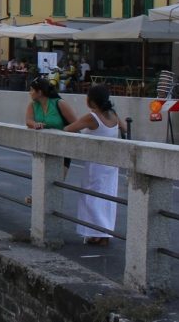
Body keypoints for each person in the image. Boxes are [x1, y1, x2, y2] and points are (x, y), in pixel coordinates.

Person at [64, 84, 122, 245]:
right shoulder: (113, 114)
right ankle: (102, 232)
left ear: (91, 100)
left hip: (96, 163)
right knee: (106, 198)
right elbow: (123, 128)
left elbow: (69, 128)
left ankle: (100, 233)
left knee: (90, 197)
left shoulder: (92, 117)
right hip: (111, 163)